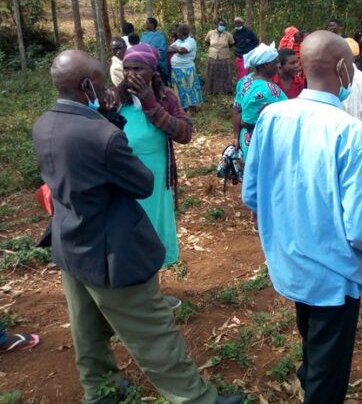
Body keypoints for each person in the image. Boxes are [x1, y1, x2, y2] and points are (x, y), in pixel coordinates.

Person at [32, 50, 242, 404]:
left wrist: (115, 117)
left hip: (70, 241)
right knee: (153, 330)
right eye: (103, 80)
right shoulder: (102, 135)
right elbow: (142, 183)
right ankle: (197, 399)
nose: (121, 78)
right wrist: (110, 126)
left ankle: (100, 391)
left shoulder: (45, 123)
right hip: (111, 250)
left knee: (87, 328)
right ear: (87, 86)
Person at [241, 31, 362, 404]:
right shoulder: (353, 134)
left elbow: (252, 193)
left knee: (310, 335)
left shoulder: (271, 117)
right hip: (332, 275)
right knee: (329, 367)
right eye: (351, 65)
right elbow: (361, 226)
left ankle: (310, 375)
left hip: (287, 260)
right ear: (342, 68)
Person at [110, 45, 193, 307]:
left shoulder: (165, 97)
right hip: (123, 177)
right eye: (127, 68)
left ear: (152, 71)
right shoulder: (114, 98)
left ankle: (151, 294)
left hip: (155, 178)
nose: (131, 74)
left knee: (152, 231)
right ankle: (131, 296)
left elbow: (184, 134)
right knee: (126, 233)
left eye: (138, 68)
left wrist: (150, 103)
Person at [232, 43, 287, 160]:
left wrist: (236, 136)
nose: (279, 65)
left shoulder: (246, 80)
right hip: (260, 142)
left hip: (248, 139)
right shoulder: (264, 91)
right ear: (266, 65)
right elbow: (246, 121)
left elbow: (237, 108)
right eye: (276, 62)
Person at [169, 24, 204, 110]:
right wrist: (177, 48)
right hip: (176, 68)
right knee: (179, 88)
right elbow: (168, 49)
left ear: (181, 33)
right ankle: (183, 106)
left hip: (186, 69)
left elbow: (182, 51)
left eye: (178, 32)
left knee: (189, 88)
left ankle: (193, 106)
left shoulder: (190, 41)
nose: (176, 34)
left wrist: (175, 48)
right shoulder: (179, 41)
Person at [204, 19, 235, 95]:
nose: (222, 26)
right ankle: (211, 90)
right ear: (217, 25)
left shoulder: (228, 34)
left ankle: (226, 90)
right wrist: (213, 49)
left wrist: (223, 49)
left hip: (224, 57)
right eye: (221, 25)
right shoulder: (210, 33)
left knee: (224, 74)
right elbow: (207, 42)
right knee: (212, 73)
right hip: (213, 56)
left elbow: (231, 44)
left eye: (224, 25)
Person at [141, 17, 170, 85]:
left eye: (147, 23)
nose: (145, 24)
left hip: (158, 64)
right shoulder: (144, 35)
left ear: (152, 24)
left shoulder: (160, 35)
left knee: (161, 83)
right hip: (146, 63)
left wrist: (153, 57)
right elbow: (141, 47)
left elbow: (163, 50)